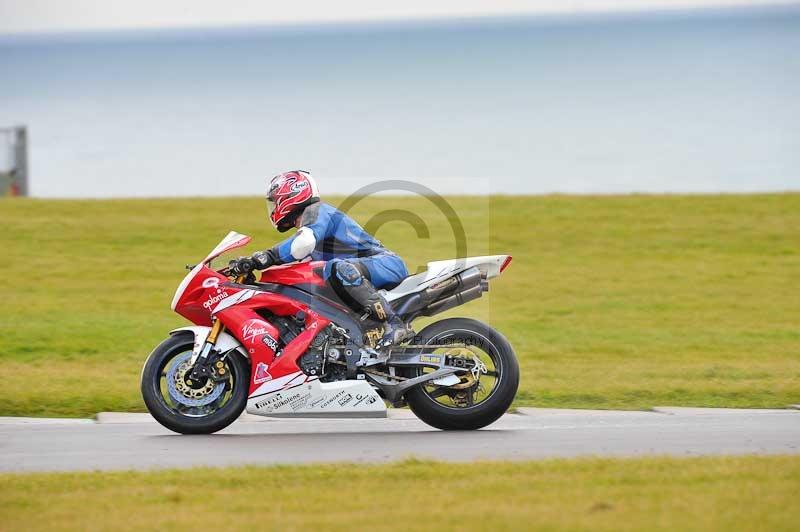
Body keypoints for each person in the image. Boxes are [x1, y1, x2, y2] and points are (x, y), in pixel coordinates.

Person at [228, 170, 412, 347]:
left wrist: (264, 257)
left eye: (275, 201)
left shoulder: (317, 212)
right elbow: (298, 266)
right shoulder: (309, 226)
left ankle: (394, 324)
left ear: (292, 195)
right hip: (363, 270)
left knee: (337, 268)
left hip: (386, 263)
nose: (273, 207)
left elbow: (302, 244)